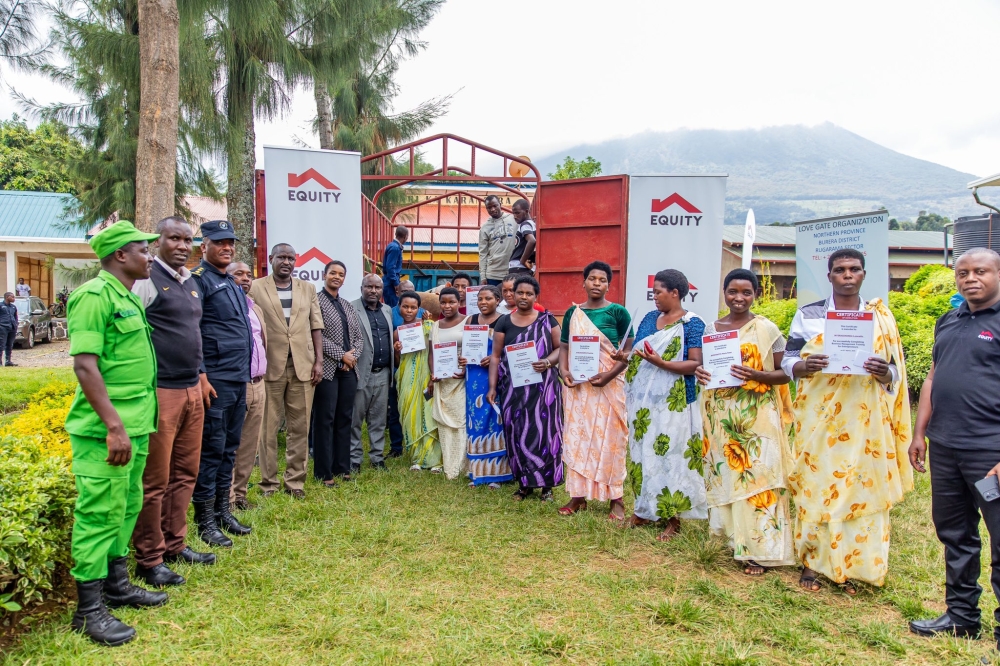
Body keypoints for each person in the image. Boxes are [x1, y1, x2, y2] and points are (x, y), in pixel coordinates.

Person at [783, 248, 911, 595]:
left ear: (863, 275)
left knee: (859, 487)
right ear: (830, 277)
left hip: (864, 423)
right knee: (815, 483)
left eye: (854, 269)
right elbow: (789, 358)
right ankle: (811, 563)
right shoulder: (808, 315)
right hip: (819, 419)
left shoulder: (880, 318)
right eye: (840, 270)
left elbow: (895, 369)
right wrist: (801, 367)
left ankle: (854, 567)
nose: (847, 274)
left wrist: (886, 371)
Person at [65, 221, 166, 646]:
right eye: (144, 249)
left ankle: (116, 585)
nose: (150, 256)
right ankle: (88, 611)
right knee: (98, 513)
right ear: (121, 255)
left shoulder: (127, 297)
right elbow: (85, 365)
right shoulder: (92, 296)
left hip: (137, 424)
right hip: (108, 431)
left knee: (125, 506)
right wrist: (113, 427)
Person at [908, 248, 1000, 643]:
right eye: (962, 273)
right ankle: (962, 618)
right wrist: (919, 434)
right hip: (945, 447)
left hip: (989, 452)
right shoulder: (949, 319)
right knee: (955, 534)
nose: (970, 279)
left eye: (980, 271)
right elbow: (932, 377)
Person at [131, 217, 215, 590]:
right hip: (161, 391)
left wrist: (199, 375)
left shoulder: (191, 284)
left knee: (185, 473)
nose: (182, 245)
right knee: (155, 480)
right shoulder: (145, 282)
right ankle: (150, 557)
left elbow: (192, 336)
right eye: (174, 238)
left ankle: (175, 543)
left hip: (191, 390)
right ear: (158, 242)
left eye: (187, 240)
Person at [694, 269, 795, 575]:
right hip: (722, 419)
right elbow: (706, 367)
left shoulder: (767, 329)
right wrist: (700, 373)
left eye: (746, 292)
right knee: (730, 478)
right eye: (733, 292)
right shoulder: (712, 329)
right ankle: (735, 543)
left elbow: (785, 371)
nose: (739, 298)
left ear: (756, 295)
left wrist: (756, 375)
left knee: (759, 480)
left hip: (757, 418)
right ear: (724, 293)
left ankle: (762, 550)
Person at [623, 269, 706, 541]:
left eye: (658, 291)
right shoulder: (649, 318)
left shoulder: (692, 323)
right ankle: (645, 509)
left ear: (675, 293)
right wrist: (622, 356)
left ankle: (673, 516)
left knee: (672, 456)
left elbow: (695, 364)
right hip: (645, 402)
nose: (654, 296)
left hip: (676, 401)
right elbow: (639, 353)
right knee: (643, 454)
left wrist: (662, 363)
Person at [190, 220, 253, 548]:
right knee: (211, 452)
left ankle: (223, 512)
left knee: (229, 449)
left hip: (237, 377)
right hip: (215, 381)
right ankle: (205, 521)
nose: (227, 247)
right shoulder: (198, 281)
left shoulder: (229, 282)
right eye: (220, 242)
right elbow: (194, 330)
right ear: (205, 246)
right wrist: (201, 374)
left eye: (231, 242)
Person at [557, 261, 633, 520]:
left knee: (612, 439)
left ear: (609, 285)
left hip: (609, 385)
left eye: (602, 280)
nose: (597, 283)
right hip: (579, 387)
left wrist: (609, 375)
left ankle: (617, 499)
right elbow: (564, 347)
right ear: (584, 282)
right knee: (579, 437)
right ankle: (578, 497)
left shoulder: (618, 313)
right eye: (592, 279)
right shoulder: (573, 313)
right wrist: (563, 371)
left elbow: (627, 352)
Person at [248, 243, 324, 500]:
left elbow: (316, 326)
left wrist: (319, 361)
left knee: (300, 428)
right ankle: (268, 483)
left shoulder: (308, 288)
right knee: (267, 429)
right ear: (271, 259)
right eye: (282, 257)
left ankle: (295, 482)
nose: (287, 262)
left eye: (291, 258)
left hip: (302, 367)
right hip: (270, 367)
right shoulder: (256, 287)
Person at [487, 275, 563, 501]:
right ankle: (524, 485)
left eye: (529, 294)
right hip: (513, 388)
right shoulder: (504, 322)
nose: (523, 297)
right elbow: (495, 356)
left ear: (536, 297)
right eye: (520, 292)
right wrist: (492, 387)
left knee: (545, 433)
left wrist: (547, 362)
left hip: (544, 389)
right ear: (512, 294)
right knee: (518, 432)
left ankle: (547, 486)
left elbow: (560, 349)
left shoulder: (547, 320)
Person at [313, 261, 365, 484]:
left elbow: (358, 337)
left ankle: (342, 467)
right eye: (332, 273)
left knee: (345, 418)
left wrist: (351, 357)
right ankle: (323, 472)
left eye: (341, 274)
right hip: (327, 369)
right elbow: (316, 335)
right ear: (324, 275)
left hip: (348, 370)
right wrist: (340, 355)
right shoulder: (316, 301)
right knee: (325, 419)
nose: (337, 277)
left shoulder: (346, 304)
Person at [228, 262, 268, 510]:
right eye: (238, 274)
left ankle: (240, 494)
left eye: (248, 275)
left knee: (249, 445)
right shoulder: (221, 309)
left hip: (258, 383)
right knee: (230, 444)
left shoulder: (256, 309)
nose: (245, 279)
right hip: (235, 384)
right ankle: (227, 499)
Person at [464, 285, 511, 488]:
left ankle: (498, 475)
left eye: (488, 298)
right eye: (480, 299)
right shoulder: (470, 320)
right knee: (476, 420)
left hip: (495, 377)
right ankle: (477, 472)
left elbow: (510, 351)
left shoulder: (505, 321)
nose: (483, 302)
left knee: (495, 420)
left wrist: (495, 360)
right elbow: (466, 346)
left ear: (498, 299)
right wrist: (462, 358)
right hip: (473, 375)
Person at [350, 274, 396, 471]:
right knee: (355, 419)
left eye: (377, 287)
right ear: (362, 287)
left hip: (383, 373)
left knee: (378, 419)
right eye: (369, 286)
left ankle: (377, 457)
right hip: (360, 372)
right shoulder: (351, 308)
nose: (373, 291)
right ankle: (354, 459)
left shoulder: (387, 310)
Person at [393, 290, 441, 472]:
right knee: (408, 415)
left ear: (419, 309)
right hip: (406, 379)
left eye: (413, 307)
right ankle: (416, 459)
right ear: (399, 308)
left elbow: (432, 352)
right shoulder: (397, 333)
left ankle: (434, 460)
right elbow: (397, 363)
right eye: (405, 306)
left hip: (425, 376)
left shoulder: (427, 326)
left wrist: (431, 376)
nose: (409, 310)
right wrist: (396, 350)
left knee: (428, 415)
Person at [428, 287, 467, 479]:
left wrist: (466, 368)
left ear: (459, 303)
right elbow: (431, 354)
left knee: (460, 422)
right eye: (443, 302)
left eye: (452, 302)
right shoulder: (436, 326)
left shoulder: (469, 322)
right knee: (443, 422)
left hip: (461, 381)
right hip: (442, 381)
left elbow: (475, 350)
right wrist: (433, 373)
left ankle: (461, 466)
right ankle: (449, 466)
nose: (447, 306)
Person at [478, 195, 517, 286]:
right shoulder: (485, 228)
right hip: (493, 274)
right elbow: (482, 253)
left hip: (512, 271)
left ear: (500, 204)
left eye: (495, 206)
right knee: (493, 299)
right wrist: (483, 277)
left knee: (511, 298)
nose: (492, 209)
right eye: (489, 207)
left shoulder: (513, 219)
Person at [508, 199, 536, 275]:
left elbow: (532, 241)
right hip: (522, 268)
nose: (515, 216)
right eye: (513, 213)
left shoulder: (525, 224)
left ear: (526, 211)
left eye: (517, 213)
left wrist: (522, 261)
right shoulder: (532, 224)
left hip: (519, 268)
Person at [383, 225, 407, 307]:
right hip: (390, 283)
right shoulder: (395, 248)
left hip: (389, 281)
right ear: (405, 236)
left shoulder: (393, 246)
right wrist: (396, 283)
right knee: (393, 308)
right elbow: (390, 267)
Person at [0, 292, 16, 366]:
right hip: (3, 327)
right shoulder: (1, 306)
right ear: (7, 297)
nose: (14, 298)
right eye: (12, 297)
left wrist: (16, 324)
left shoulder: (13, 307)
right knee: (1, 345)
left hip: (12, 327)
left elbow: (15, 317)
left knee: (9, 344)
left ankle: (8, 361)